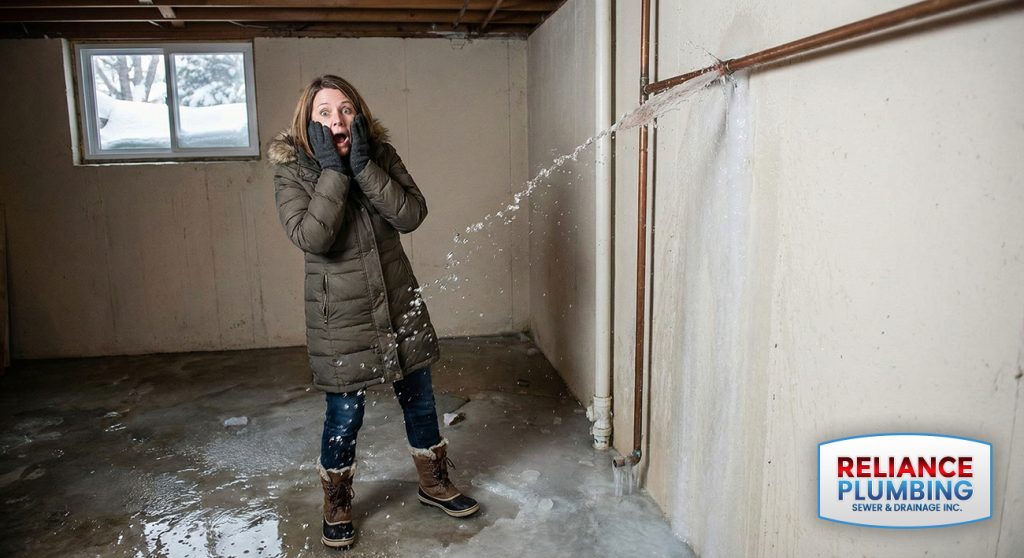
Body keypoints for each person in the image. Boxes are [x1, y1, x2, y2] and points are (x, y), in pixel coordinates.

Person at [267, 74, 479, 550]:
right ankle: (337, 503)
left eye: (345, 109)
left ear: (358, 114)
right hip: (338, 316)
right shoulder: (293, 171)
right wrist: (334, 173)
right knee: (344, 414)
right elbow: (312, 238)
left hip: (397, 300)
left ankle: (435, 483)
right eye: (324, 111)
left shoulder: (378, 155)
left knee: (421, 398)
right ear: (308, 120)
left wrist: (362, 166)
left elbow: (410, 215)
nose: (336, 119)